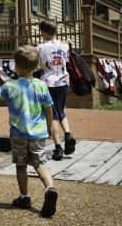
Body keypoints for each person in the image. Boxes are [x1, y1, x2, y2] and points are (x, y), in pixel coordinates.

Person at [0, 44, 58, 218]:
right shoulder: (41, 86)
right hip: (38, 134)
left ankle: (24, 197)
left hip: (18, 134)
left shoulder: (11, 86)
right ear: (37, 66)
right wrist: (49, 127)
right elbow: (48, 109)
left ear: (15, 66)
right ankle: (49, 188)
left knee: (21, 165)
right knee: (41, 164)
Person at [37, 18, 76, 160]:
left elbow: (38, 65)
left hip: (48, 83)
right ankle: (68, 134)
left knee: (52, 115)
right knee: (61, 111)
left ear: (44, 32)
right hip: (63, 81)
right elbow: (66, 61)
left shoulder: (40, 48)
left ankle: (58, 148)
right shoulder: (65, 46)